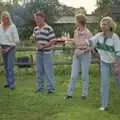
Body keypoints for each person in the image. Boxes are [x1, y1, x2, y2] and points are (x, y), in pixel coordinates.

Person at [89, 16, 120, 111]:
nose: (102, 26)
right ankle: (104, 105)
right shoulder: (98, 36)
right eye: (102, 24)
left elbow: (118, 53)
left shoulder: (115, 37)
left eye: (105, 24)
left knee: (119, 83)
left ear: (110, 26)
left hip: (115, 63)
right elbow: (90, 42)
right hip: (104, 63)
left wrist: (117, 67)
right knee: (104, 84)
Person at [65, 14, 92, 99]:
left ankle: (84, 94)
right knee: (73, 75)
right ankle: (69, 94)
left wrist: (83, 51)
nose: (74, 22)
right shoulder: (76, 31)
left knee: (84, 76)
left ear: (80, 22)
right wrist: (69, 41)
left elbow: (91, 47)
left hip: (85, 55)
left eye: (75, 20)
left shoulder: (88, 33)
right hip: (76, 55)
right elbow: (75, 43)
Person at [33, 11, 56, 94]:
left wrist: (43, 46)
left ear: (43, 18)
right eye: (36, 20)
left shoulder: (49, 28)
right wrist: (36, 44)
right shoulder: (35, 29)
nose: (37, 21)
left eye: (38, 19)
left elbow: (53, 41)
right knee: (39, 71)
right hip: (38, 53)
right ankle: (40, 88)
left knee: (48, 71)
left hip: (47, 53)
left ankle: (51, 89)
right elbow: (34, 39)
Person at [0, 11, 19, 89]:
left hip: (11, 47)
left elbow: (16, 40)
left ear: (8, 18)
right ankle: (8, 82)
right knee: (5, 66)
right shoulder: (0, 26)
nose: (4, 20)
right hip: (2, 47)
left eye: (6, 18)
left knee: (9, 67)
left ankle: (12, 84)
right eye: (3, 18)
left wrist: (8, 48)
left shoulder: (12, 26)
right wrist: (1, 48)